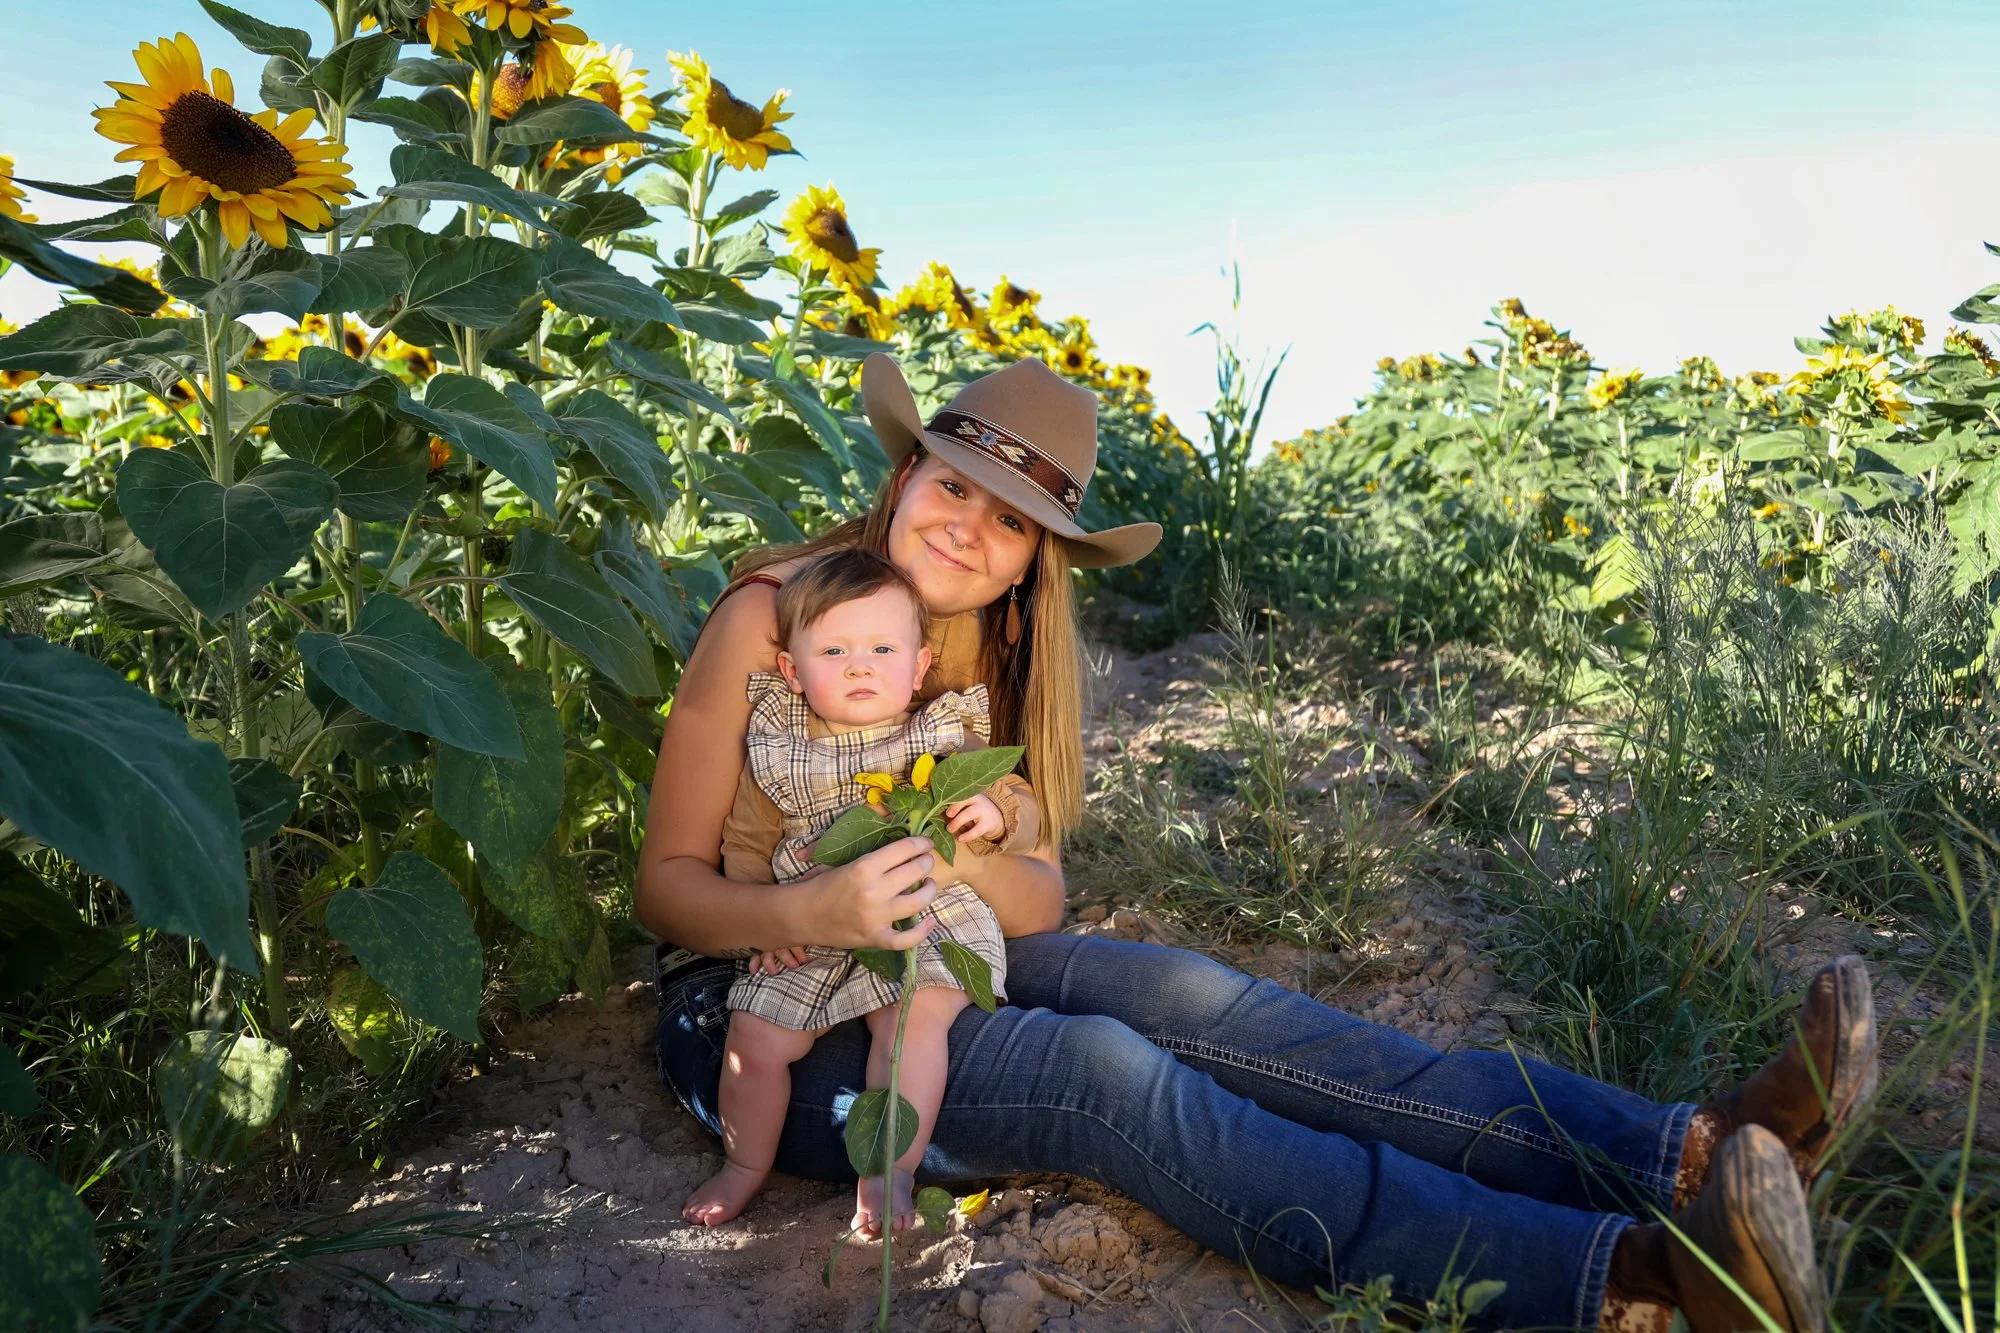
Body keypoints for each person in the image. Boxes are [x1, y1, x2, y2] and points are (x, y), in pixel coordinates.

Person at [639, 352, 1876, 1332]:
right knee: (1103, 1078)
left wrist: (957, 860)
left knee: (1209, 1004)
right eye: (954, 483)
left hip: (926, 946)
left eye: (1009, 520)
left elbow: (1039, 896)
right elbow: (665, 891)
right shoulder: (774, 616)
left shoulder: (987, 661)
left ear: (1030, 568)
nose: (968, 525)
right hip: (758, 1013)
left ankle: (1685, 1152)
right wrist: (815, 911)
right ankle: (1635, 1280)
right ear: (906, 471)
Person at [679, 547, 1037, 1232]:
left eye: (881, 648)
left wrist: (997, 811)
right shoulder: (779, 747)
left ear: (919, 666)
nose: (860, 666)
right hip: (809, 923)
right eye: (834, 650)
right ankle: (743, 1164)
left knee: (912, 1019)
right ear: (792, 669)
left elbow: (1020, 800)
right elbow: (746, 845)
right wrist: (765, 925)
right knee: (755, 1034)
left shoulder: (936, 733)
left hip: (919, 914)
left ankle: (890, 1171)